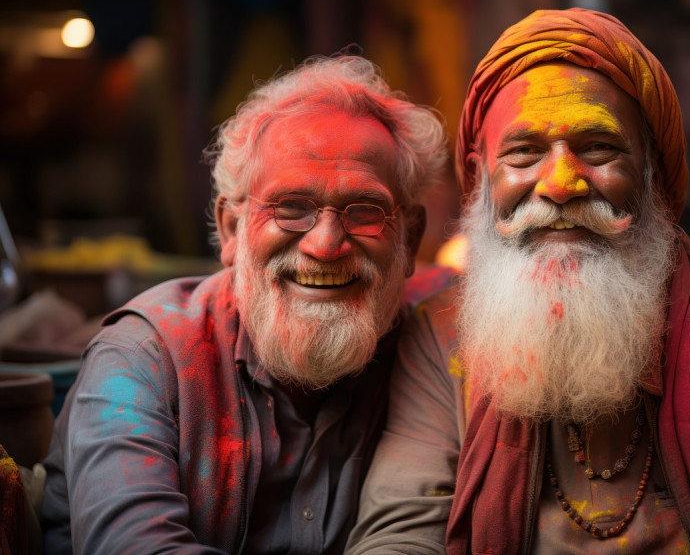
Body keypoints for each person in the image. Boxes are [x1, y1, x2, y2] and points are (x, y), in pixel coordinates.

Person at [346, 8, 690, 554]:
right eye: (524, 154)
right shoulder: (439, 339)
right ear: (480, 180)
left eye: (598, 148)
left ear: (653, 174)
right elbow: (397, 538)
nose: (562, 184)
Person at [39, 54, 447, 554]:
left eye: (365, 210)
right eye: (290, 207)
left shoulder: (429, 351)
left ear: (410, 237)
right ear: (232, 229)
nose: (324, 245)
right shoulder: (142, 359)